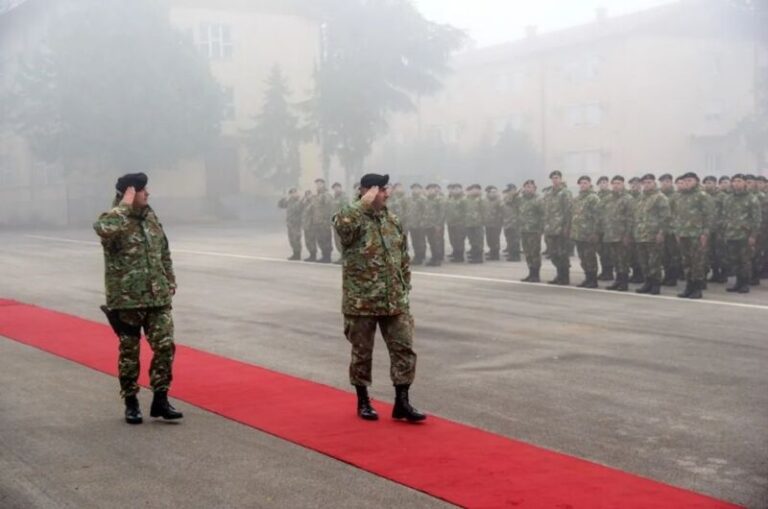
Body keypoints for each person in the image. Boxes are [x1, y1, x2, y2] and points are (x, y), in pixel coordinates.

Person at [332, 173, 426, 423]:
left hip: (394, 300)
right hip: (361, 301)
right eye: (382, 189)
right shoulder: (351, 217)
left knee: (404, 350)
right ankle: (363, 401)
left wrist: (405, 287)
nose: (388, 193)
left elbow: (403, 256)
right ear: (366, 191)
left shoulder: (392, 220)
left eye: (386, 189)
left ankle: (402, 402)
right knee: (362, 354)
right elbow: (342, 226)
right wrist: (362, 203)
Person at [93, 172, 183, 425]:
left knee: (165, 346)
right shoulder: (114, 220)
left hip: (158, 298)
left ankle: (161, 399)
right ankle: (131, 402)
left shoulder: (151, 218)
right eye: (143, 190)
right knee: (130, 353)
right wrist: (124, 204)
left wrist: (170, 279)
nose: (148, 194)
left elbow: (164, 251)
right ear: (130, 193)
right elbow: (103, 229)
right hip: (128, 300)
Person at [673, 172, 712, 299]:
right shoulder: (680, 196)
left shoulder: (702, 196)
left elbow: (709, 215)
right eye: (685, 181)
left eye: (690, 180)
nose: (687, 183)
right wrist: (677, 232)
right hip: (683, 234)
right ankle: (689, 287)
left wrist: (705, 233)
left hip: (697, 234)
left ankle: (697, 289)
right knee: (686, 262)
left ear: (696, 181)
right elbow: (677, 216)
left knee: (697, 262)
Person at [633, 174, 671, 295]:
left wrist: (661, 233)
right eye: (645, 182)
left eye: (649, 182)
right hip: (640, 235)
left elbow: (665, 217)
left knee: (654, 261)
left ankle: (656, 284)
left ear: (654, 183)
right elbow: (636, 217)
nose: (647, 184)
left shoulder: (660, 197)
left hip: (653, 235)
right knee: (643, 261)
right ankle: (647, 282)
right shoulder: (640, 198)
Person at [724, 174, 761, 293]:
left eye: (739, 181)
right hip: (731, 233)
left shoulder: (751, 198)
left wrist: (753, 235)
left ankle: (745, 283)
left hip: (744, 234)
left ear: (745, 183)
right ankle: (738, 282)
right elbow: (726, 216)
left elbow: (756, 218)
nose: (736, 183)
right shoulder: (728, 198)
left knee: (744, 260)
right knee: (734, 260)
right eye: (734, 181)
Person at [601, 176, 634, 291]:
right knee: (615, 260)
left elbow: (631, 218)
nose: (616, 185)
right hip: (611, 235)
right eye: (614, 183)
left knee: (623, 260)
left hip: (622, 235)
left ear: (623, 184)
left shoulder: (628, 199)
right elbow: (605, 216)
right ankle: (618, 280)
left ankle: (624, 283)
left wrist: (627, 235)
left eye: (618, 183)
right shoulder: (609, 198)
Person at [542, 170, 572, 285]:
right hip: (550, 229)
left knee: (562, 254)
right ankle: (559, 275)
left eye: (557, 177)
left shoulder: (565, 193)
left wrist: (567, 227)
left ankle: (564, 277)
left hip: (560, 229)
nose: (555, 180)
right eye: (553, 178)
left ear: (561, 179)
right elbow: (545, 211)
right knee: (553, 254)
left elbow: (568, 211)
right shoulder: (548, 193)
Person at [570, 176, 601, 288]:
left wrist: (595, 232)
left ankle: (593, 280)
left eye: (585, 183)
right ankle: (587, 278)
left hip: (589, 234)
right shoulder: (577, 199)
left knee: (590, 258)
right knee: (583, 258)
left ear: (589, 184)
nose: (583, 185)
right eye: (581, 183)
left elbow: (598, 217)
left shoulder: (593, 198)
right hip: (579, 234)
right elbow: (574, 215)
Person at [518, 180, 544, 282]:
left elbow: (543, 215)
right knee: (527, 253)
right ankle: (530, 273)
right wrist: (516, 192)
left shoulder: (538, 200)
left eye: (530, 187)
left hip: (534, 231)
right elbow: (508, 201)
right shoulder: (521, 200)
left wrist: (541, 229)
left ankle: (536, 275)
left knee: (535, 253)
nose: (528, 189)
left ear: (534, 188)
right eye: (526, 187)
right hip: (524, 230)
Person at [278, 188, 304, 260]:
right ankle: (295, 253)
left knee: (296, 239)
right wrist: (284, 198)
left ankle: (298, 254)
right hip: (290, 223)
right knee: (291, 239)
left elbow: (298, 209)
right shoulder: (289, 201)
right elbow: (281, 205)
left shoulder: (300, 201)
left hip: (296, 223)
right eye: (292, 193)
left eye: (295, 193)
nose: (293, 194)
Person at [424, 183, 446, 266]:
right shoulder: (426, 200)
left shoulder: (439, 200)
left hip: (436, 226)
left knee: (436, 242)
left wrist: (439, 225)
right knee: (431, 242)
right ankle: (434, 257)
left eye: (432, 189)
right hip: (428, 225)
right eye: (429, 189)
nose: (430, 191)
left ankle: (437, 259)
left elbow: (442, 213)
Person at [445, 183, 467, 262]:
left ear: (461, 189)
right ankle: (455, 253)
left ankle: (459, 256)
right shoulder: (451, 199)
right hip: (451, 223)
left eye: (457, 189)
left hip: (460, 223)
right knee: (453, 239)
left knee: (459, 240)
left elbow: (466, 211)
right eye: (454, 189)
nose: (455, 191)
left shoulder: (464, 199)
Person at [483, 185, 504, 261]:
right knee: (489, 239)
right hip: (488, 223)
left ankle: (495, 255)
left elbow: (502, 211)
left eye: (494, 192)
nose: (493, 194)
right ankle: (492, 251)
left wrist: (499, 219)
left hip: (496, 223)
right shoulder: (485, 200)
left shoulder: (499, 200)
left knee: (495, 239)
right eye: (491, 192)